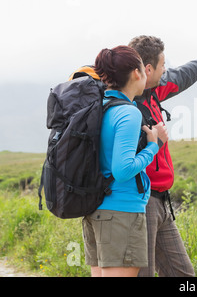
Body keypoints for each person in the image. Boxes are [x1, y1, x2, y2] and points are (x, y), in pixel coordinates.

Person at [128, 35, 197, 277]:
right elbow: (122, 164)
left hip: (161, 200)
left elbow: (183, 74)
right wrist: (155, 142)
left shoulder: (154, 90)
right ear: (147, 70)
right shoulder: (125, 106)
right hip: (140, 201)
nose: (166, 69)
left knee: (183, 275)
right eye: (162, 65)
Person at [81, 45, 169, 277]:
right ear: (137, 73)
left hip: (97, 211)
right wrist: (153, 146)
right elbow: (123, 170)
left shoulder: (99, 106)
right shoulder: (129, 113)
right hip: (121, 213)